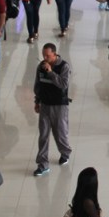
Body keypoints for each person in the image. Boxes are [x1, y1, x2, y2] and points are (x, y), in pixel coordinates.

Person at [33, 43, 72, 176]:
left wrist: (50, 72)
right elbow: (38, 86)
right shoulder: (41, 66)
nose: (45, 58)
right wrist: (37, 101)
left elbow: (63, 84)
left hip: (59, 106)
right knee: (43, 135)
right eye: (43, 55)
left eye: (48, 56)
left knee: (60, 133)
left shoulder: (64, 66)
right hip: (45, 105)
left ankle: (65, 152)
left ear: (55, 54)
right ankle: (43, 164)